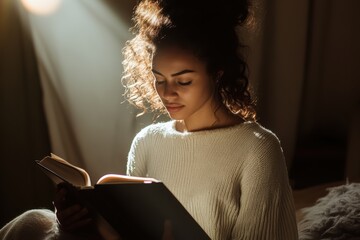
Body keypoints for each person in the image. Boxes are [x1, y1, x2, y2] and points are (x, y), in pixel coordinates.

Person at [0, 0, 298, 239]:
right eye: (159, 79)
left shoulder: (257, 150)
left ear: (217, 73)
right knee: (35, 223)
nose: (167, 93)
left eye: (183, 81)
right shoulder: (148, 142)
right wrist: (73, 226)